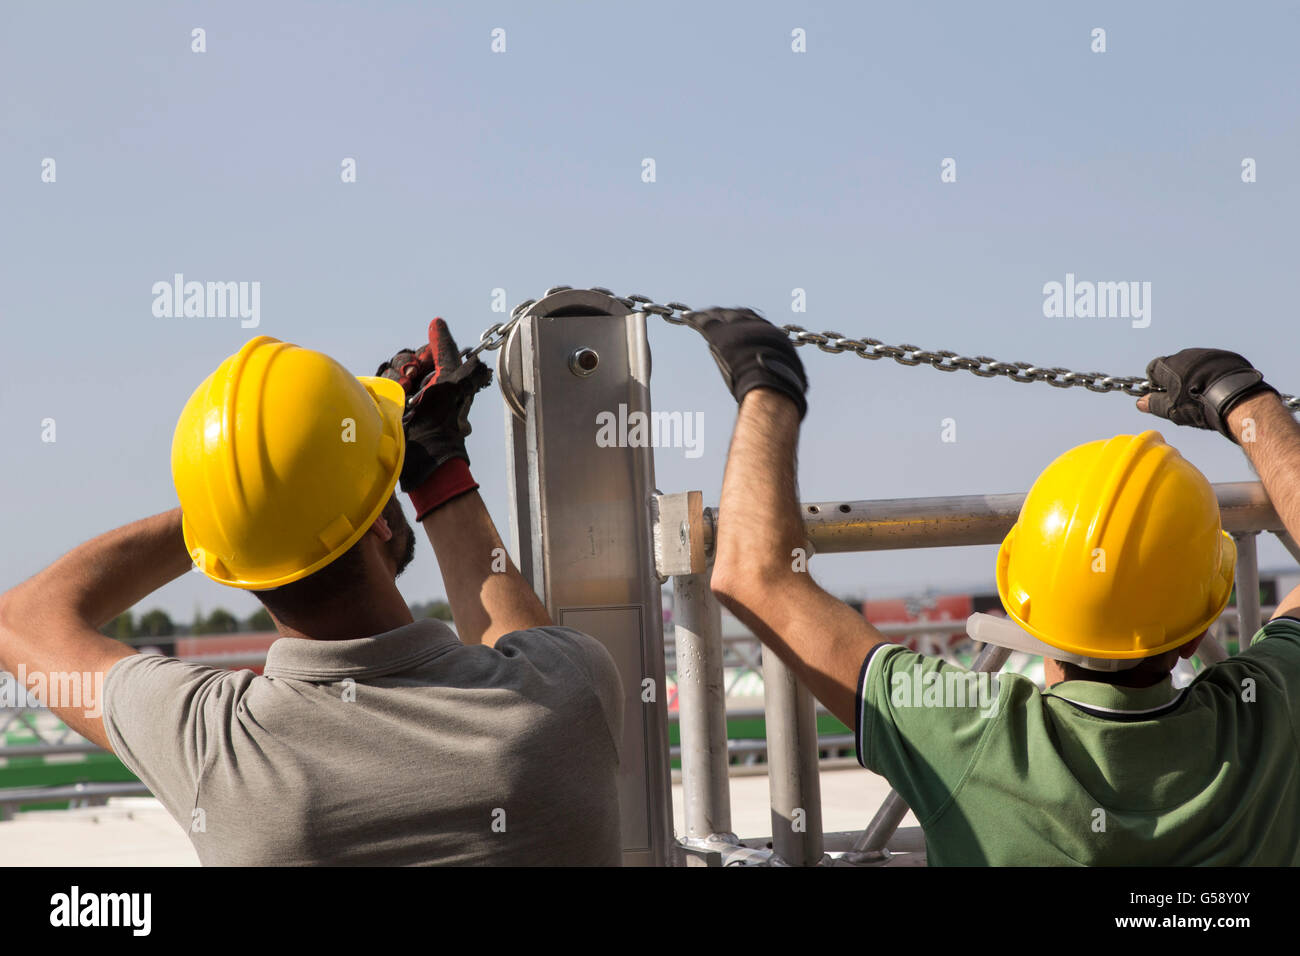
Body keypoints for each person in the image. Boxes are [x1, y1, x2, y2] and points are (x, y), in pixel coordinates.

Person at [0, 321, 624, 865]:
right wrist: (437, 468)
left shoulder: (219, 746)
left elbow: (23, 618)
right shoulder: (566, 692)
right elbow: (516, 647)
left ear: (227, 564)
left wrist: (235, 500)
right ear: (381, 520)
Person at [693, 307, 1300, 865]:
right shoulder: (1269, 717)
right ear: (1196, 632)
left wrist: (770, 386)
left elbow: (754, 573)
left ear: (1025, 606)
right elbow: (757, 576)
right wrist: (1243, 401)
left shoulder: (968, 736)